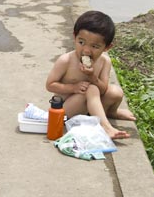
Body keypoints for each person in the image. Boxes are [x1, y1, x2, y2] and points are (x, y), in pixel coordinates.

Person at [45, 10, 135, 140]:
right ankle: (105, 126)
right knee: (91, 89)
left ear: (107, 47)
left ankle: (111, 112)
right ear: (74, 37)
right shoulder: (66, 60)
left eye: (95, 46)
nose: (86, 50)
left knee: (116, 92)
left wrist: (93, 77)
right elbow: (50, 85)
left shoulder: (104, 61)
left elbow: (103, 89)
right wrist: (73, 88)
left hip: (90, 104)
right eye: (81, 42)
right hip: (67, 109)